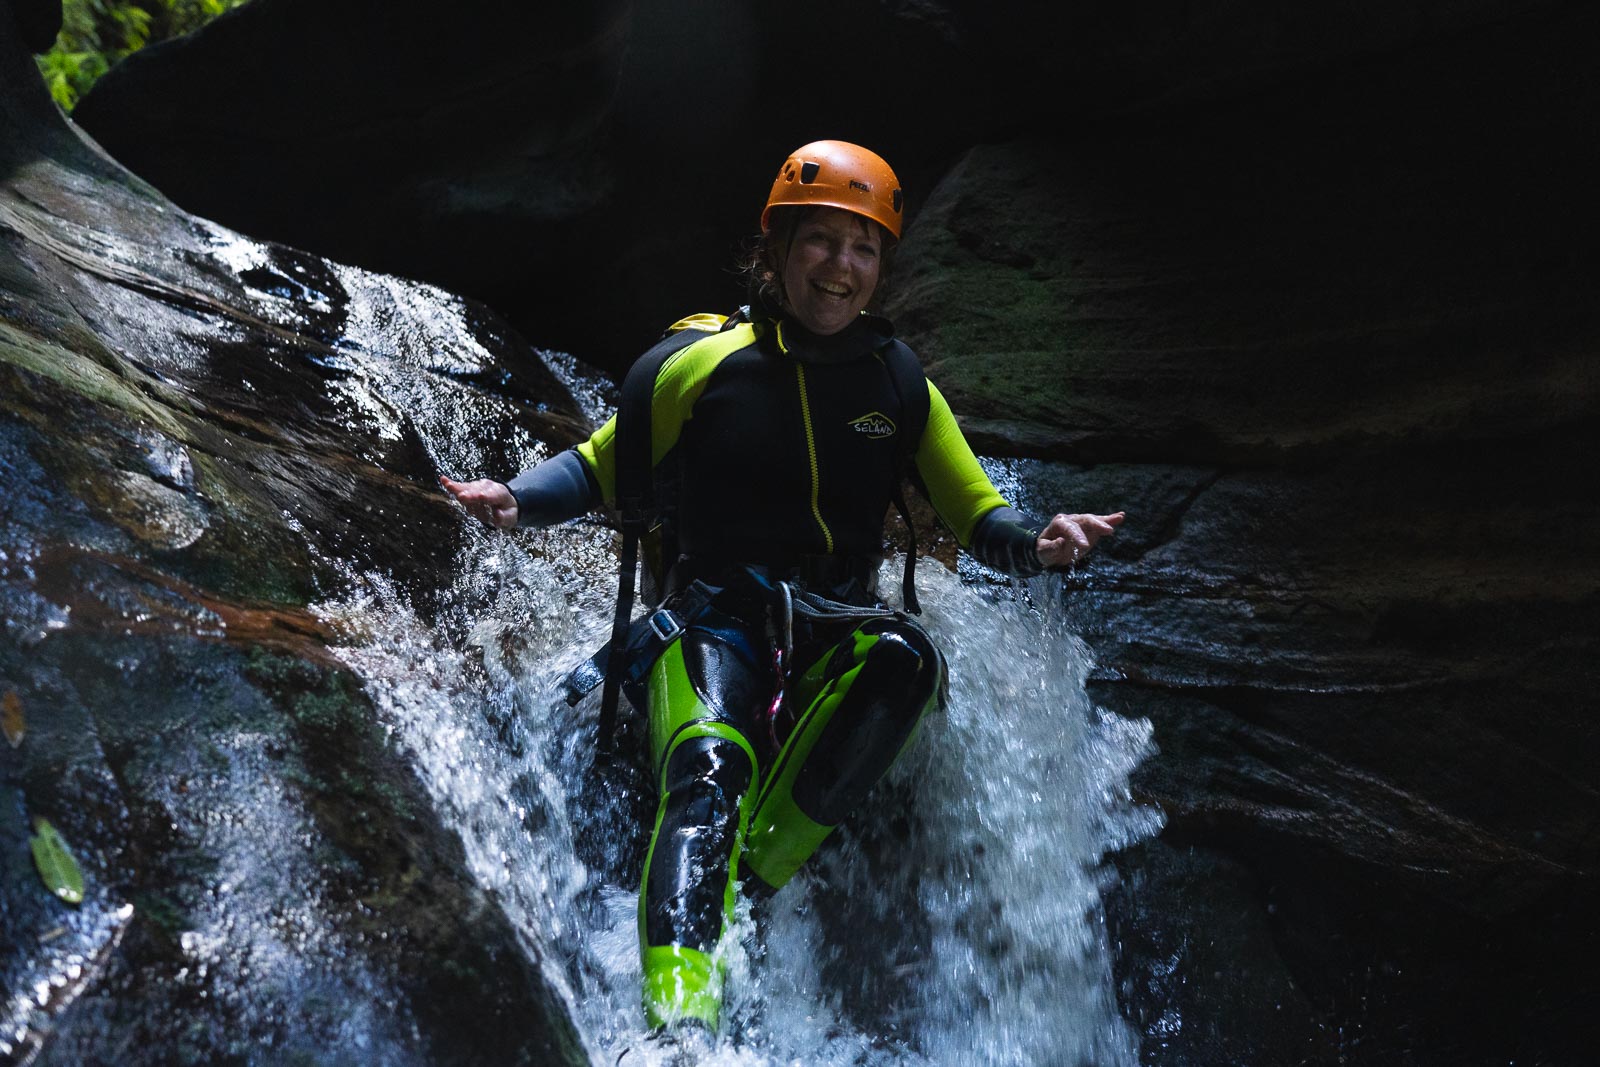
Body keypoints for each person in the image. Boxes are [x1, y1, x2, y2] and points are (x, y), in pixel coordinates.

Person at [440, 140, 1123, 1042]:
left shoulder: (898, 381)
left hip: (834, 624)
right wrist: (517, 499)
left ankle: (747, 889)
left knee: (907, 656)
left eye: (864, 248)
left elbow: (976, 513)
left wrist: (1039, 545)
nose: (841, 268)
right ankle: (682, 1029)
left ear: (882, 269)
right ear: (778, 249)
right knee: (709, 770)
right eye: (822, 242)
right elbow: (602, 465)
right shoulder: (702, 365)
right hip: (713, 619)